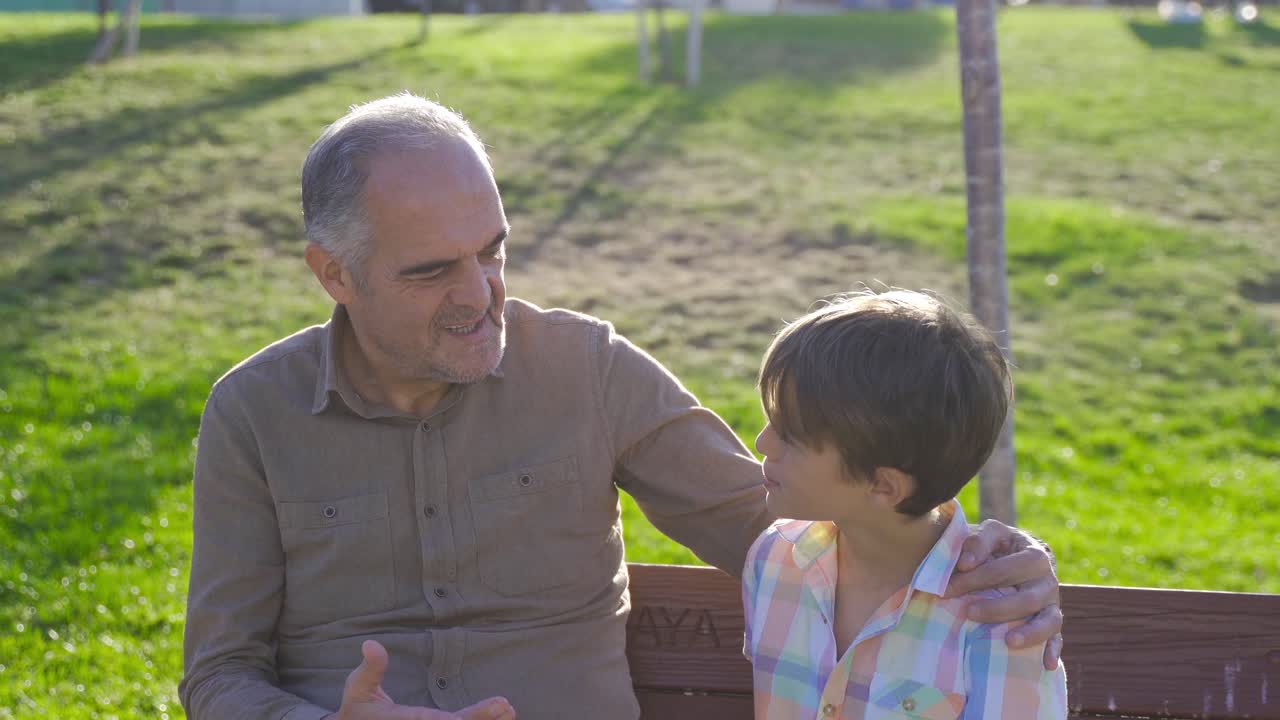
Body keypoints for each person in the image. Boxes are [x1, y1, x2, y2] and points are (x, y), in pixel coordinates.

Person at [179, 93, 1065, 720]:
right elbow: (219, 675)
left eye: (492, 252)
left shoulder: (589, 370)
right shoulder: (253, 414)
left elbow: (782, 516)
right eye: (432, 271)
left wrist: (980, 557)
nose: (480, 296)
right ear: (334, 273)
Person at [742, 290, 1068, 719]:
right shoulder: (772, 559)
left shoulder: (998, 622)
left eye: (790, 435)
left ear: (884, 486)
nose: (762, 443)